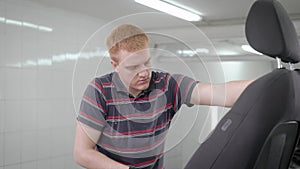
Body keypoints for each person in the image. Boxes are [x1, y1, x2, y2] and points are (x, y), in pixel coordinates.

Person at [73, 24, 253, 169]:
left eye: (147, 62)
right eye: (133, 67)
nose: (143, 72)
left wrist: (270, 84)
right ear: (115, 65)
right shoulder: (98, 91)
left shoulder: (168, 85)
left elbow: (221, 93)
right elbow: (82, 153)